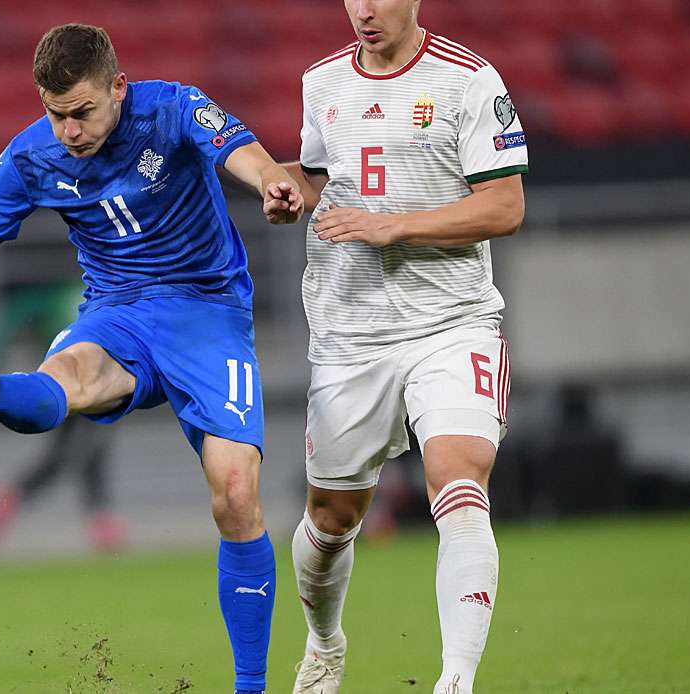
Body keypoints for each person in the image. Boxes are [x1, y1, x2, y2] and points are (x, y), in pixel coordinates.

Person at [0, 23, 305, 694]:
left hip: (205, 311)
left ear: (118, 90)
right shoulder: (30, 157)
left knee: (237, 493)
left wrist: (273, 182)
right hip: (115, 314)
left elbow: (242, 152)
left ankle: (251, 688)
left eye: (83, 111)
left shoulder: (171, 107)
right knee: (60, 383)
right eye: (55, 114)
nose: (69, 129)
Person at [282, 2, 527, 693]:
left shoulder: (470, 81)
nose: (364, 9)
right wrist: (287, 192)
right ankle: (325, 645)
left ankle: (456, 679)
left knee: (458, 479)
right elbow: (317, 179)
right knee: (331, 520)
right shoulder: (321, 82)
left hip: (451, 323)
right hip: (349, 336)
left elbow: (505, 206)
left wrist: (398, 228)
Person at [0, 280, 126, 553]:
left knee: (78, 452)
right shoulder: (85, 294)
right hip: (89, 387)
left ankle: (99, 519)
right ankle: (98, 519)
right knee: (77, 453)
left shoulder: (59, 296)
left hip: (62, 385)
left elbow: (15, 313)